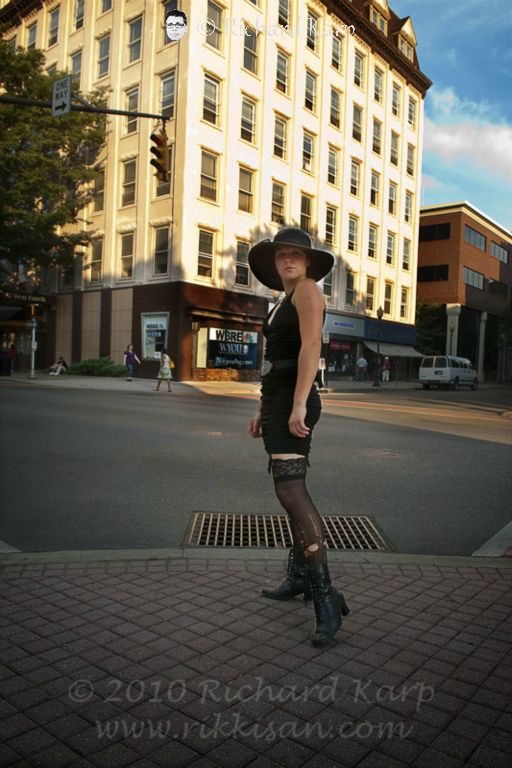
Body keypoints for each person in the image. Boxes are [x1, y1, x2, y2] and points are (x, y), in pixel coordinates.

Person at [247, 226, 350, 646]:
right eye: (281, 255)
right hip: (277, 400)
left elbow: (310, 349)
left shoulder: (307, 291)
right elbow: (275, 358)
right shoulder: (281, 301)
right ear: (274, 264)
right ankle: (298, 577)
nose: (288, 260)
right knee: (286, 492)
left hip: (294, 399)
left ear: (308, 263)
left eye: (296, 255)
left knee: (292, 493)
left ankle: (326, 594)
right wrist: (261, 407)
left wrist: (299, 404)